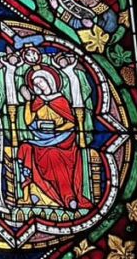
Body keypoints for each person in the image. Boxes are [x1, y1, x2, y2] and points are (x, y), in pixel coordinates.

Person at [17, 67, 92, 210]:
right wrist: (27, 101)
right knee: (25, 148)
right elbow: (29, 121)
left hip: (63, 140)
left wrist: (56, 129)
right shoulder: (38, 101)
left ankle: (68, 197)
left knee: (52, 155)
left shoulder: (61, 100)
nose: (39, 86)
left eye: (41, 82)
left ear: (49, 81)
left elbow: (71, 123)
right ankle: (36, 192)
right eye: (36, 84)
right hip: (42, 139)